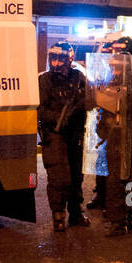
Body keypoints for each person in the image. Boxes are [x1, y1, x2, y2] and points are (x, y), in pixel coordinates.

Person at [92, 36, 132, 236]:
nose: (113, 57)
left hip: (128, 135)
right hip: (114, 135)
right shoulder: (112, 75)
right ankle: (124, 212)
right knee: (123, 177)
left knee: (125, 177)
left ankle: (123, 217)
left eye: (118, 53)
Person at [37, 42, 93, 232]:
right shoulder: (44, 80)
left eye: (59, 59)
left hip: (75, 134)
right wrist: (58, 117)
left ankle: (76, 214)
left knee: (76, 176)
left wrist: (77, 110)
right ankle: (58, 215)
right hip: (54, 135)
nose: (55, 62)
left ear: (68, 59)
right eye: (53, 58)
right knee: (59, 178)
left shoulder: (78, 77)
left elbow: (89, 100)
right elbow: (40, 110)